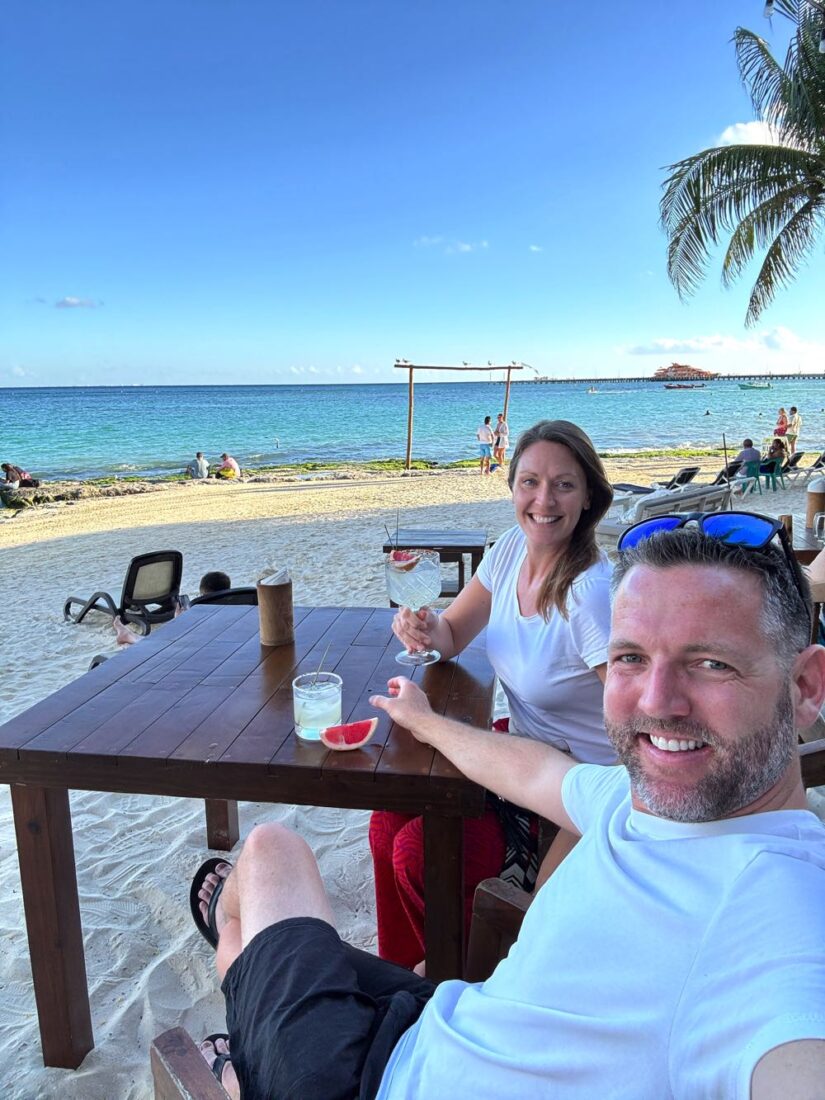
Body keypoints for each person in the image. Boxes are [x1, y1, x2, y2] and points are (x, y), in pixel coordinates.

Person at [189, 517, 825, 1098]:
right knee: (274, 923)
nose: (658, 702)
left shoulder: (776, 909)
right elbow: (544, 771)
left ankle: (243, 1055)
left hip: (366, 1084)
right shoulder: (654, 804)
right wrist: (427, 722)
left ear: (805, 688)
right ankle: (247, 1029)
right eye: (631, 657)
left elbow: (792, 1040)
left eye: (710, 664)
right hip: (442, 1017)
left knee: (271, 849)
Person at [370, 419, 615, 968]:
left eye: (563, 485)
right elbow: (452, 635)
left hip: (576, 787)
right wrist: (421, 627)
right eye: (529, 482)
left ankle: (460, 973)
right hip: (519, 757)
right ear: (512, 488)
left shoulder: (589, 594)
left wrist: (573, 846)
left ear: (588, 498)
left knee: (418, 855)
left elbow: (635, 731)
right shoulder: (510, 550)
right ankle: (404, 972)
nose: (543, 499)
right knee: (389, 813)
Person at [113, 571, 232, 644]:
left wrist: (179, 620)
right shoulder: (236, 606)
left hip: (200, 646)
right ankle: (128, 636)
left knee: (161, 643)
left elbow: (188, 635)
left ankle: (129, 636)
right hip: (226, 643)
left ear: (202, 594)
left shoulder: (201, 610)